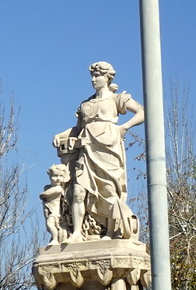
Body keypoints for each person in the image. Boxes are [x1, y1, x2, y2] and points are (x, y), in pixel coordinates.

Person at [52, 61, 144, 242]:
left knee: (109, 191)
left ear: (107, 77)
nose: (93, 80)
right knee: (79, 191)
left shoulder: (117, 99)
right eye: (92, 76)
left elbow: (141, 112)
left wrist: (124, 127)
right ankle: (77, 233)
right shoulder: (87, 104)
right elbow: (78, 128)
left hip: (108, 147)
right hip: (86, 148)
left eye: (97, 76)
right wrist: (60, 135)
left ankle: (111, 232)